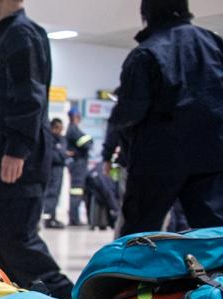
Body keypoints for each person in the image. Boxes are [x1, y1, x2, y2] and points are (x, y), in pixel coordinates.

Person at [0, 0, 73, 299]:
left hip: (19, 162)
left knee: (17, 241)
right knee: (3, 244)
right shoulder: (7, 36)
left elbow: (29, 96)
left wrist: (16, 149)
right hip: (2, 159)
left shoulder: (22, 34)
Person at [112, 0, 223, 236]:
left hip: (158, 158)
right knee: (215, 232)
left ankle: (137, 272)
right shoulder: (213, 43)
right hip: (213, 154)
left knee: (140, 232)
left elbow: (129, 114)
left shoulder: (146, 52)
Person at [64, 107, 93, 226]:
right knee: (76, 191)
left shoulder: (74, 129)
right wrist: (89, 139)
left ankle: (76, 218)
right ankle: (74, 219)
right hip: (78, 164)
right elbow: (86, 144)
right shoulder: (73, 130)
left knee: (80, 191)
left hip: (80, 163)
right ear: (75, 116)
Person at [42, 118, 68, 228]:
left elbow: (62, 153)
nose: (60, 131)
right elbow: (54, 155)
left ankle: (52, 217)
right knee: (51, 194)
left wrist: (62, 155)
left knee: (56, 194)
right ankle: (48, 219)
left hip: (59, 170)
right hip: (52, 169)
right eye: (58, 128)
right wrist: (62, 155)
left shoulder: (61, 139)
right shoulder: (50, 139)